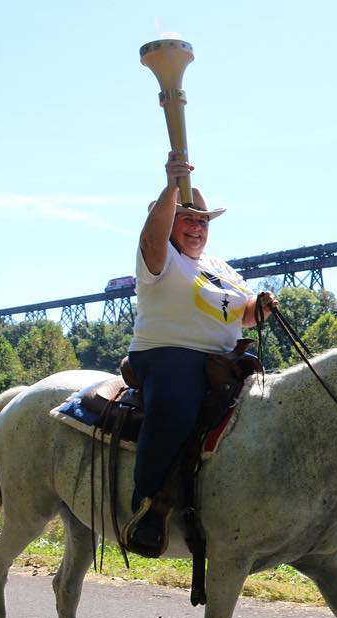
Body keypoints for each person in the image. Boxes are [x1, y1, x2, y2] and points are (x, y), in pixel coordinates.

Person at [125, 151, 276, 551]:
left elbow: (243, 314)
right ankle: (148, 507)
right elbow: (150, 237)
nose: (197, 227)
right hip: (168, 354)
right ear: (171, 221)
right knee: (176, 404)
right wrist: (172, 186)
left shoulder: (220, 267)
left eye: (203, 221)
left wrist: (258, 309)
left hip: (220, 359)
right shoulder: (161, 257)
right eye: (187, 218)